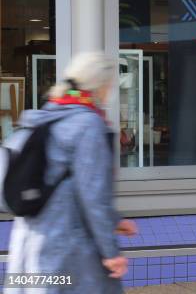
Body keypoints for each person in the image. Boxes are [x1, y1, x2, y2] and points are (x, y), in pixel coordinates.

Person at [5, 52, 137, 294]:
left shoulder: (43, 116)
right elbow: (92, 196)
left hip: (28, 247)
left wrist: (115, 221)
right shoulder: (88, 125)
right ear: (101, 86)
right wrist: (111, 253)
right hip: (66, 253)